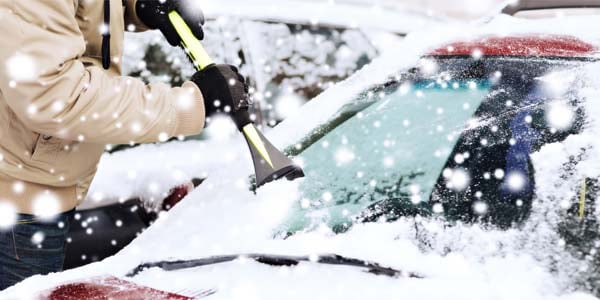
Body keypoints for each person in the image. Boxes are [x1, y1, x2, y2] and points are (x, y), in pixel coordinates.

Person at [0, 0, 248, 291]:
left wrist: (136, 6)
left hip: (38, 187)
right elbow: (54, 97)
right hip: (20, 203)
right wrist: (191, 104)